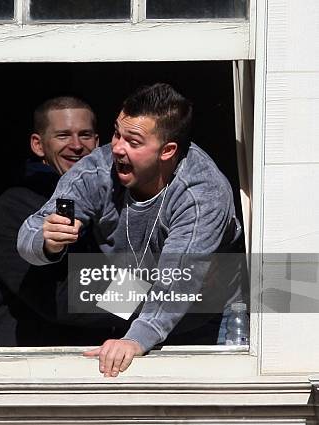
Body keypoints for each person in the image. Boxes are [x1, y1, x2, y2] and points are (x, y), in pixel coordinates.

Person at [17, 83, 243, 375]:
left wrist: (135, 339)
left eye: (133, 142)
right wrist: (46, 241)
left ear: (168, 150)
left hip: (211, 315)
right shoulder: (96, 170)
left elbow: (178, 281)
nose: (117, 148)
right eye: (116, 133)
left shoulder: (201, 193)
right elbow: (28, 236)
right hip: (139, 302)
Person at [0, 96, 115, 346]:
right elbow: (63, 297)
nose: (76, 145)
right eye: (62, 136)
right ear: (38, 145)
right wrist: (158, 293)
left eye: (85, 135)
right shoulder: (15, 208)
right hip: (17, 371)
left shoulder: (112, 202)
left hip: (90, 368)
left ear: (97, 142)